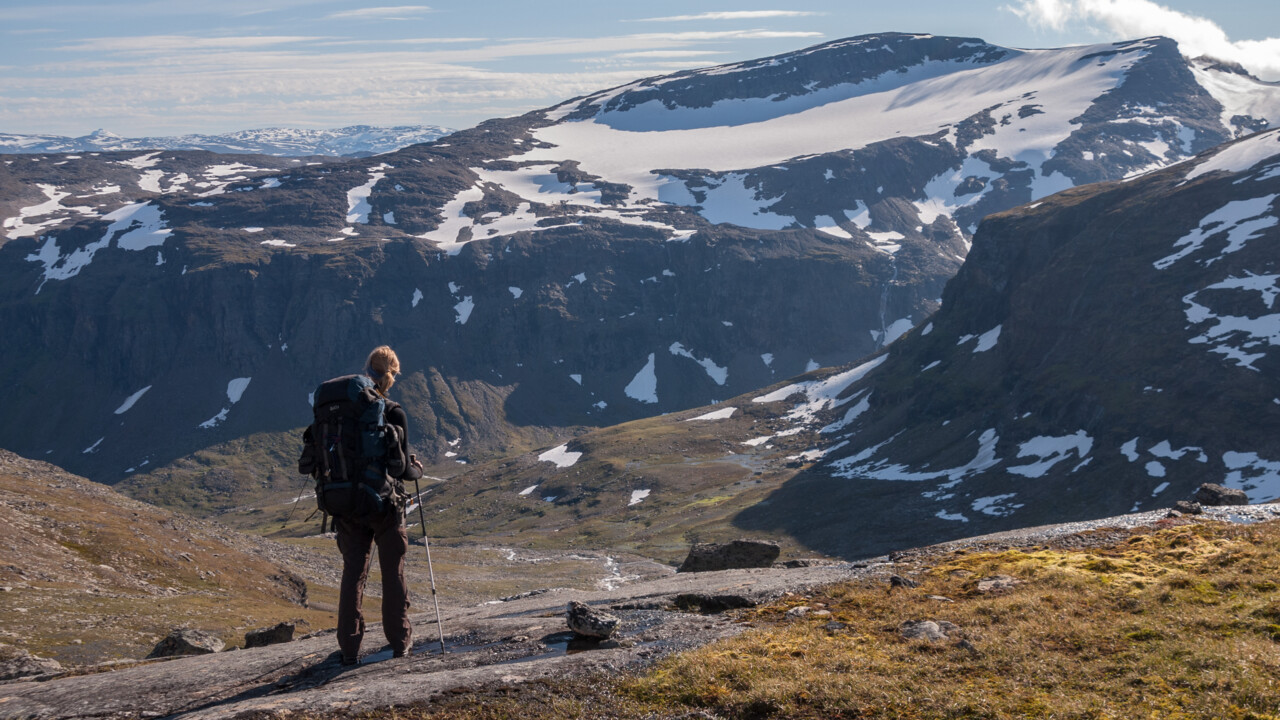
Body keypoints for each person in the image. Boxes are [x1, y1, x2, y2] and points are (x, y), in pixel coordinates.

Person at [334, 345, 424, 665]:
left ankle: (348, 649)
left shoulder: (342, 411)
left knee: (353, 575)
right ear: (393, 375)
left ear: (366, 370)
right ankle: (400, 643)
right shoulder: (393, 411)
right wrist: (417, 468)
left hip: (346, 505)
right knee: (392, 573)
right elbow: (401, 469)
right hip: (383, 506)